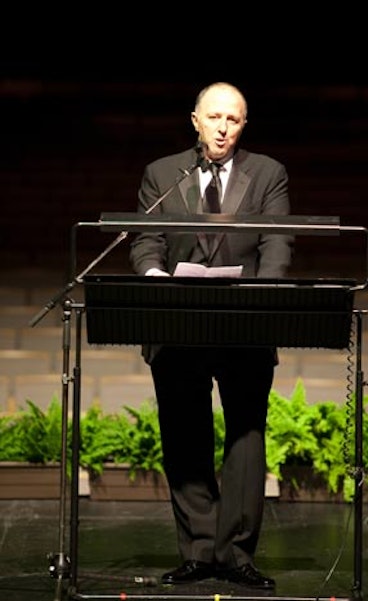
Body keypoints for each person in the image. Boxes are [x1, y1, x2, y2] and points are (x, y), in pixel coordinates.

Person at [129, 81, 293, 590]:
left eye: (234, 119)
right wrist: (155, 277)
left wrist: (260, 300)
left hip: (243, 325)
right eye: (215, 117)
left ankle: (237, 555)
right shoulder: (163, 173)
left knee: (246, 436)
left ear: (243, 125)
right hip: (179, 322)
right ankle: (199, 551)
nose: (223, 128)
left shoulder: (268, 173)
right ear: (195, 120)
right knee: (184, 434)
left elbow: (278, 244)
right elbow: (145, 241)